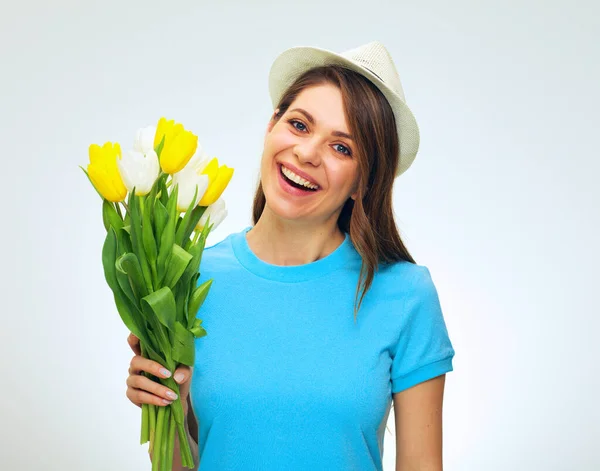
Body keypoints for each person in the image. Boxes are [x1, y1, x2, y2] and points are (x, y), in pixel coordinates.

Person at [126, 40, 455, 470]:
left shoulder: (405, 294)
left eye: (342, 148)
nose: (306, 153)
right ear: (271, 127)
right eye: (299, 125)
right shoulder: (188, 279)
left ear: (363, 182)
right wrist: (167, 402)